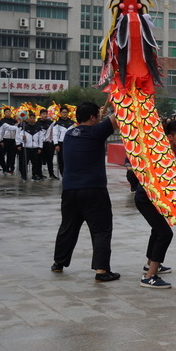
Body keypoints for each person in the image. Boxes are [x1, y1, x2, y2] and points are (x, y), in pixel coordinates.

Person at [51, 102, 120, 282]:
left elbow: (100, 123)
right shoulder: (96, 132)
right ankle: (102, 270)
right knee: (101, 230)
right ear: (92, 117)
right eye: (96, 115)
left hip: (70, 190)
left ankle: (59, 263)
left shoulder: (69, 134)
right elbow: (120, 116)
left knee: (68, 227)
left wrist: (100, 117)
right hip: (93, 190)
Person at [135, 119, 176, 289]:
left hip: (155, 199)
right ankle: (149, 276)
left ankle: (151, 264)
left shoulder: (174, 152)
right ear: (170, 137)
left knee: (157, 230)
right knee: (165, 233)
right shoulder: (162, 153)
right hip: (145, 198)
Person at [16, 111, 44, 181]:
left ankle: (34, 175)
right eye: (30, 118)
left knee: (35, 163)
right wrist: (23, 139)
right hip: (26, 147)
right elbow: (19, 137)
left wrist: (40, 147)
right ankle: (24, 175)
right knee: (25, 162)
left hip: (35, 148)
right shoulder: (24, 127)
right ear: (28, 118)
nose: (31, 119)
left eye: (33, 118)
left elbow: (40, 139)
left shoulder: (38, 128)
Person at [51, 107, 76, 176]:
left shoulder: (72, 123)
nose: (65, 114)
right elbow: (55, 135)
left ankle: (70, 174)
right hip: (61, 143)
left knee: (70, 159)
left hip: (71, 143)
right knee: (61, 160)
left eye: (66, 112)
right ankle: (63, 174)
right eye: (63, 112)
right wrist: (56, 144)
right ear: (60, 113)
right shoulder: (57, 123)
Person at [37, 109, 58, 179]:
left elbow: (56, 128)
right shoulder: (37, 123)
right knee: (39, 160)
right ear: (40, 115)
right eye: (43, 114)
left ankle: (51, 174)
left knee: (50, 160)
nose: (45, 115)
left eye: (46, 114)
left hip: (48, 143)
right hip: (40, 144)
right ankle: (39, 174)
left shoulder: (51, 123)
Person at [0, 108, 18, 175]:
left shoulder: (14, 121)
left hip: (13, 140)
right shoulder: (2, 121)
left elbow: (17, 130)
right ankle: (3, 168)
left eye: (9, 112)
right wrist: (1, 140)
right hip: (5, 140)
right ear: (4, 113)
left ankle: (11, 168)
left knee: (11, 155)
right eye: (6, 112)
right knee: (2, 155)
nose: (8, 113)